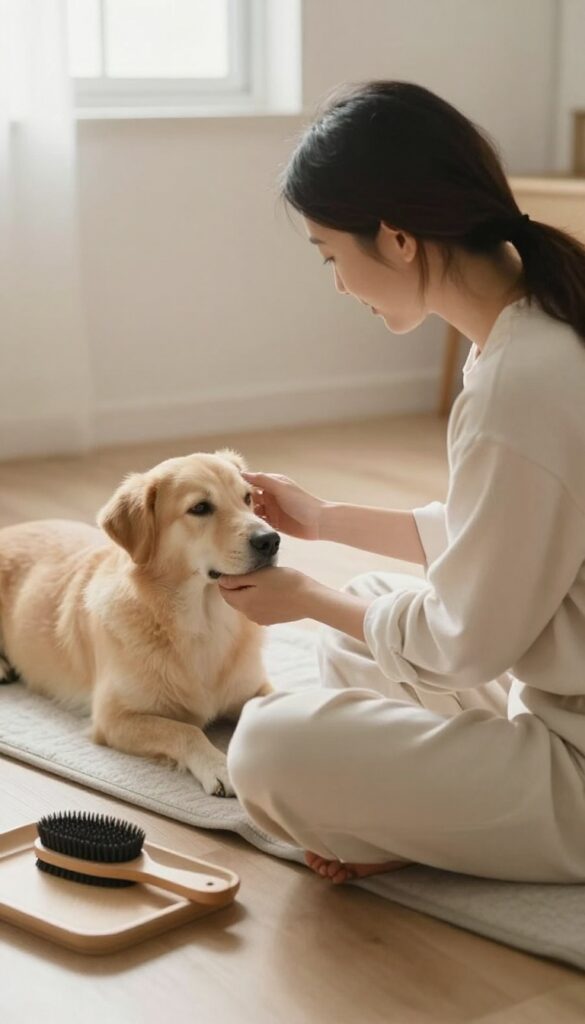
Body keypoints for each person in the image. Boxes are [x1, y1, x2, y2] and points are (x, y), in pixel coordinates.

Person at [217, 81, 585, 886]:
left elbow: (465, 639)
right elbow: (513, 541)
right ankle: (420, 816)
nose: (338, 284)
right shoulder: (537, 331)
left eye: (329, 255)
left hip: (577, 771)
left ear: (395, 239)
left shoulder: (518, 384)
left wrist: (308, 598)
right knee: (377, 605)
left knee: (271, 743)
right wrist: (327, 518)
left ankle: (417, 822)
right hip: (556, 699)